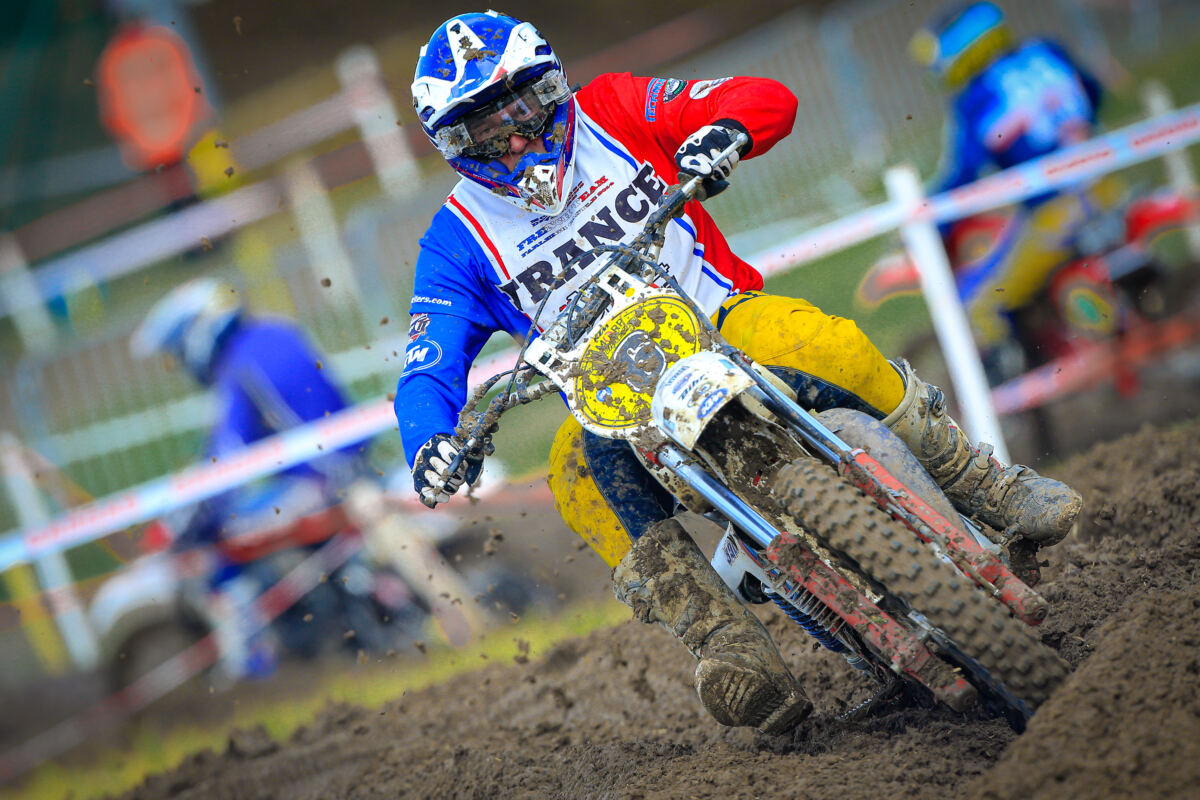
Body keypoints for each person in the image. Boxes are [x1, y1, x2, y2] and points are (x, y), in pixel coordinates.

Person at [395, 11, 1082, 734]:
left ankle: (986, 485)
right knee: (572, 473)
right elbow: (426, 365)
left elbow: (763, 96)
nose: (514, 137)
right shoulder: (456, 239)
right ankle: (724, 644)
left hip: (719, 318)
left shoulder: (614, 108)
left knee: (822, 339)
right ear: (454, 145)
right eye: (485, 129)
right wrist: (430, 443)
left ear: (551, 88)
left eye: (523, 108)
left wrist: (727, 131)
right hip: (611, 397)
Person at [131, 278, 370, 678]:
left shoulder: (238, 365)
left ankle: (256, 670)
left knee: (220, 548)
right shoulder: (271, 335)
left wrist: (179, 525)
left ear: (197, 333)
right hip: (349, 464)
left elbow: (225, 463)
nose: (181, 363)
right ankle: (319, 618)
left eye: (177, 353)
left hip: (321, 481)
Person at [910, 1, 1113, 351]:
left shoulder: (978, 96)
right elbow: (1093, 92)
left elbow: (964, 174)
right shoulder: (1046, 50)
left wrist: (930, 221)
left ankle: (1018, 380)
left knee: (980, 304)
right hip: (1106, 187)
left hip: (1054, 213)